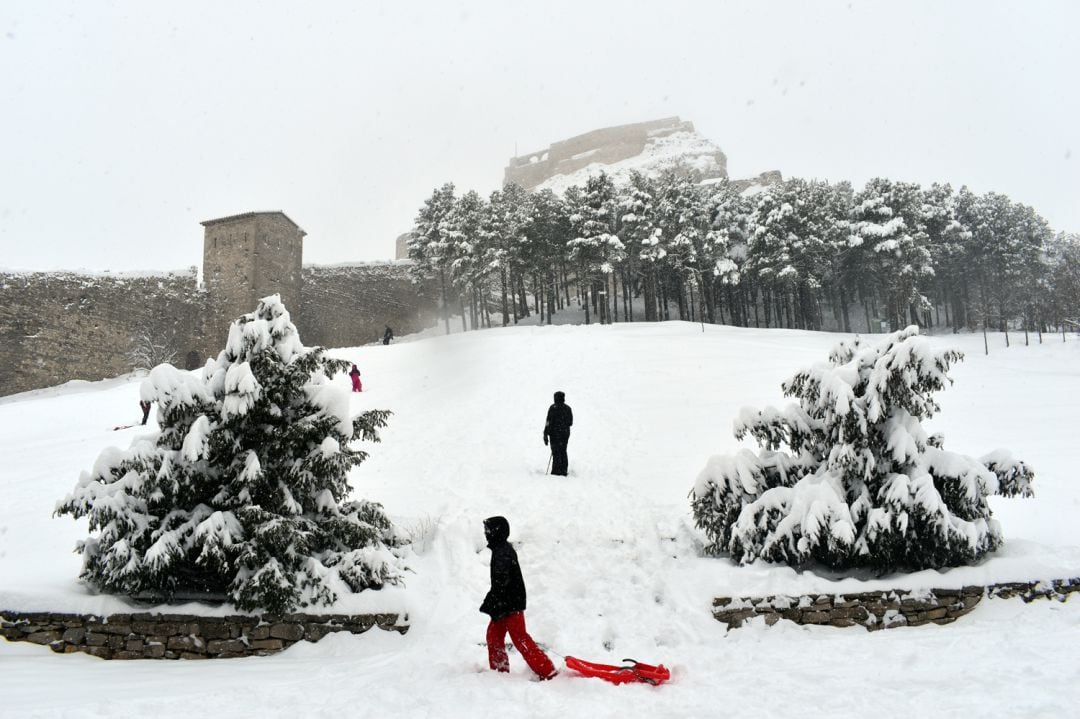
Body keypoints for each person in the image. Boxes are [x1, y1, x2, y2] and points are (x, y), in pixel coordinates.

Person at [480, 516, 558, 680]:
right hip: (505, 603)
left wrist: (491, 601)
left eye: (488, 530)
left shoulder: (502, 552)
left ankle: (547, 670)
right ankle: (499, 672)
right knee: (494, 636)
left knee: (520, 638)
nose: (485, 533)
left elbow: (501, 581)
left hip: (510, 604)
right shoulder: (500, 549)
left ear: (496, 532)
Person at [543, 391, 573, 476]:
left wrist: (545, 434)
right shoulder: (568, 408)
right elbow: (570, 422)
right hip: (564, 434)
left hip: (554, 434)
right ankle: (563, 470)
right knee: (563, 451)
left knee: (555, 452)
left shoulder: (553, 408)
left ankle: (556, 471)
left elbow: (548, 422)